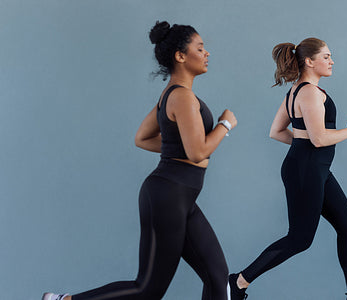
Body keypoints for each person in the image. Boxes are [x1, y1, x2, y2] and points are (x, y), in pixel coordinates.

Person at [43, 21, 237, 300]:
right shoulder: (181, 96)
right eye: (200, 48)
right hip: (168, 196)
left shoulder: (171, 95)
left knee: (218, 278)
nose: (207, 53)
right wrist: (225, 125)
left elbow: (142, 138)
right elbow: (198, 152)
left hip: (180, 197)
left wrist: (177, 149)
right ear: (180, 56)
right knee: (148, 289)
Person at [228, 38, 347, 300]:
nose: (332, 61)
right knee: (300, 239)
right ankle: (238, 282)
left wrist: (304, 145)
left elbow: (277, 132)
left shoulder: (296, 92)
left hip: (313, 168)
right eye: (327, 56)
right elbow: (319, 139)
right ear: (309, 61)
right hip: (307, 170)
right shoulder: (309, 92)